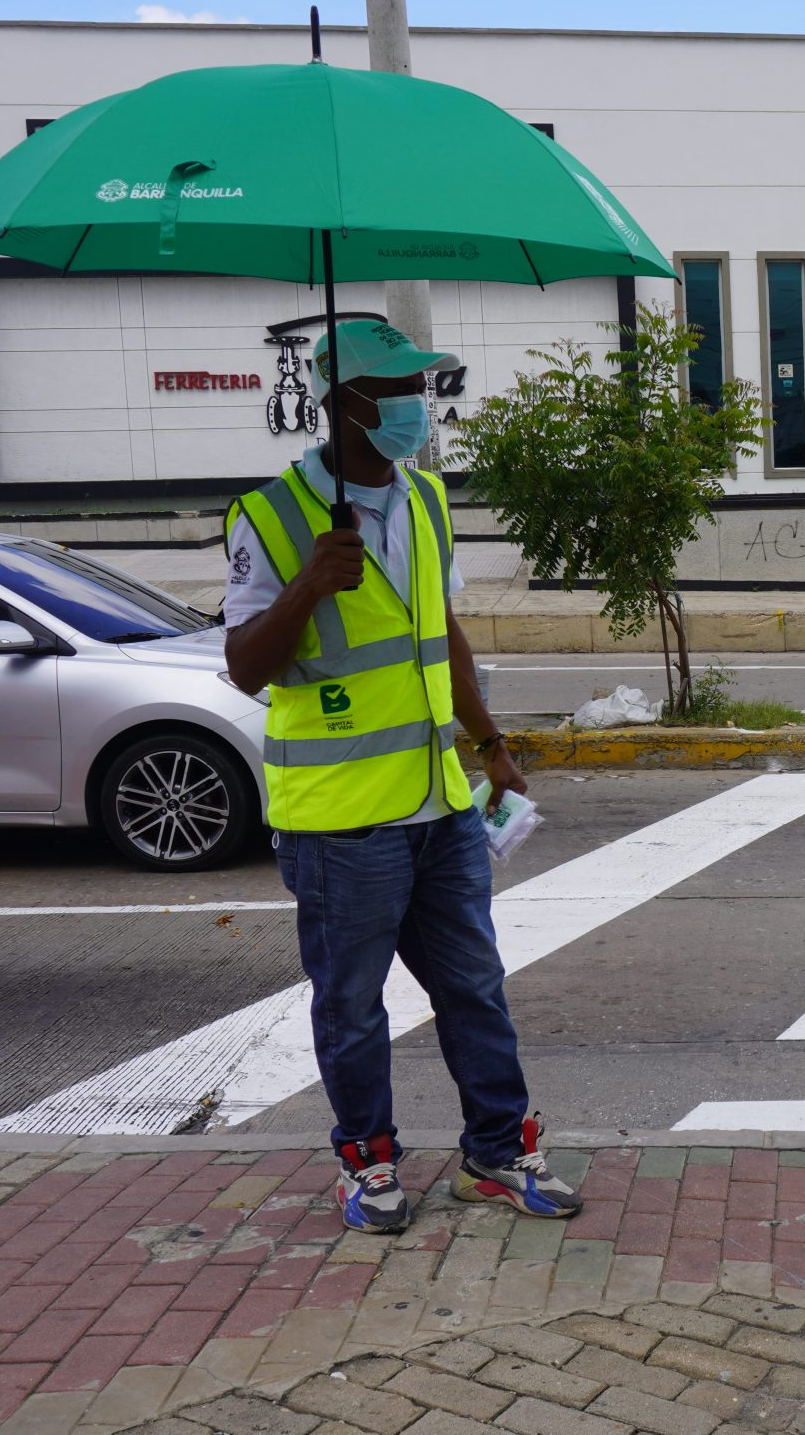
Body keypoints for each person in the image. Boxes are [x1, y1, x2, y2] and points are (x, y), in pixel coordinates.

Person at [222, 318, 576, 1233]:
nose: (418, 408)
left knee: (474, 987)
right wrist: (306, 584)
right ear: (345, 402)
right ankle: (368, 1165)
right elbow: (246, 668)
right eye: (397, 392)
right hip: (340, 818)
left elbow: (440, 634)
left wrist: (492, 743)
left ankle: (498, 1155)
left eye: (422, 389)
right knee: (352, 1006)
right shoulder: (267, 516)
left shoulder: (424, 500)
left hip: (438, 801)